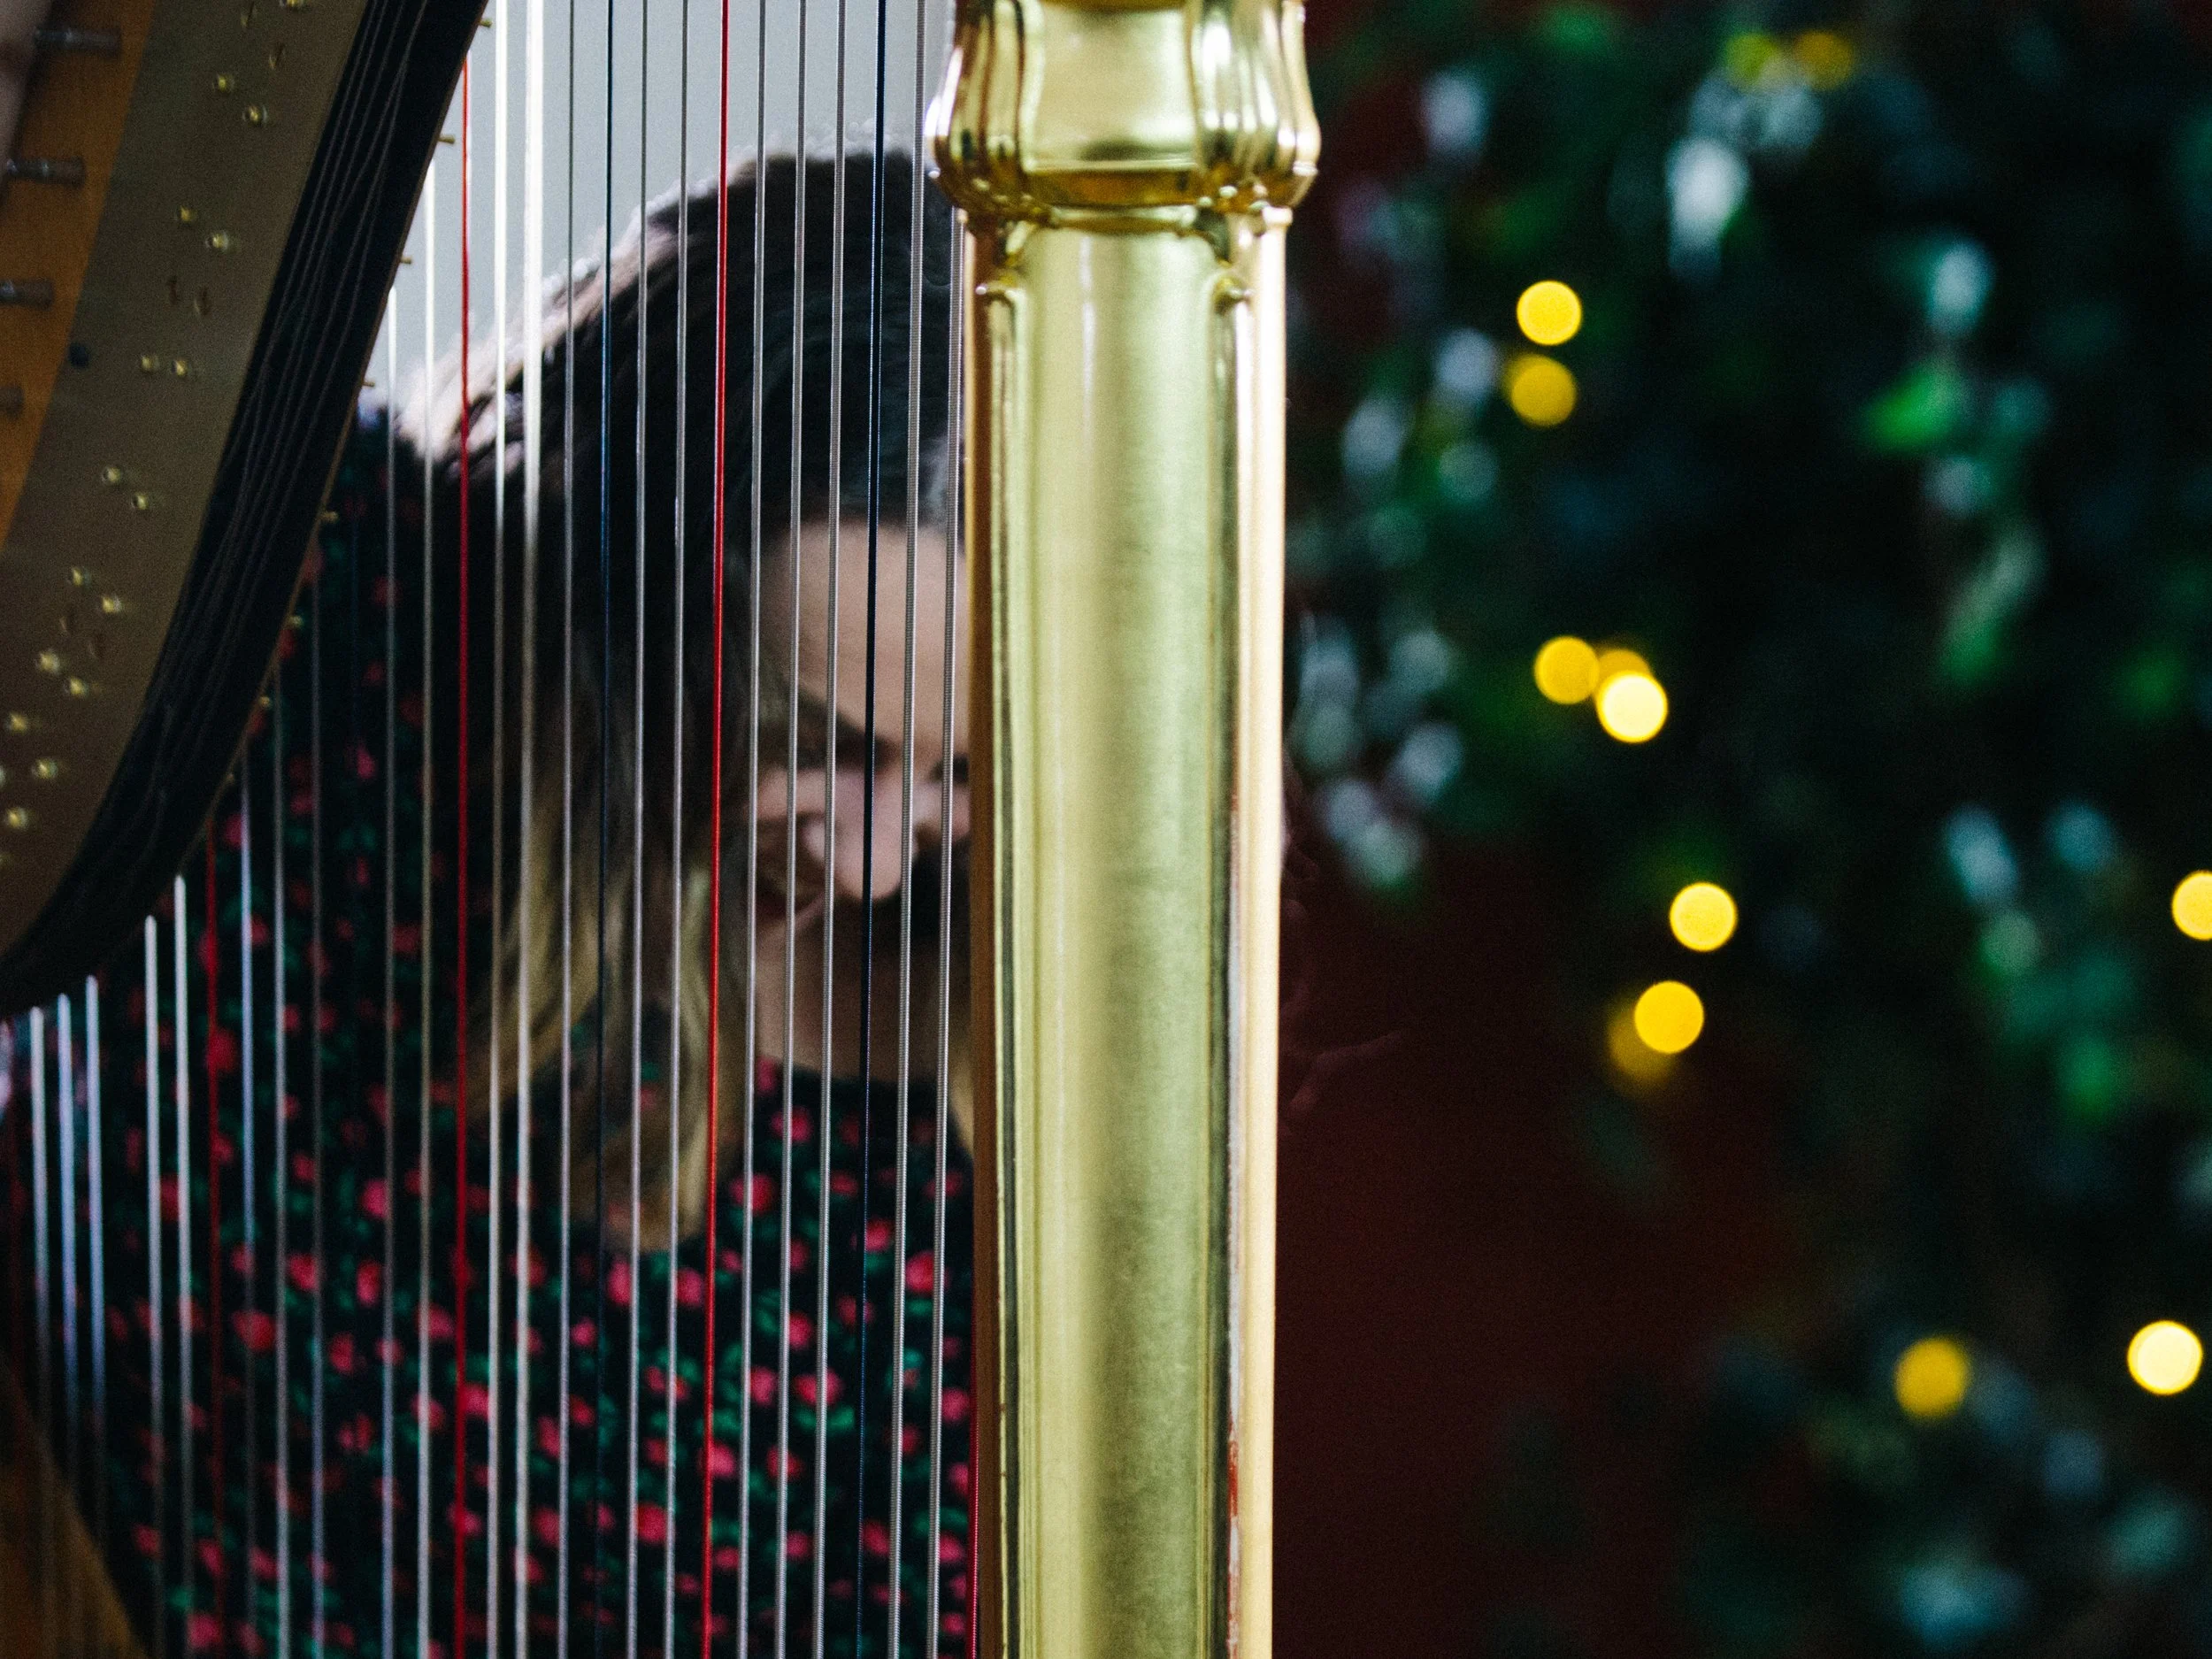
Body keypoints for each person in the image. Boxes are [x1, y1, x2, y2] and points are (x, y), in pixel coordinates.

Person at [98, 154, 975, 1659]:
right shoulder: (343, 641)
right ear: (617, 602)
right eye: (808, 737)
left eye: (961, 771)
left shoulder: (993, 1108)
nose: (876, 863)